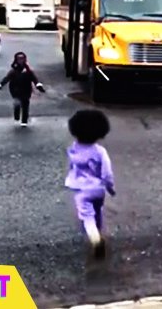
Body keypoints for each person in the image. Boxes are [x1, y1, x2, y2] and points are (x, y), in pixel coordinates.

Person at [65, 109, 116, 259]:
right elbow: (107, 173)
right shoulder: (100, 151)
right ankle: (99, 231)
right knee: (97, 212)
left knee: (87, 216)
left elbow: (72, 168)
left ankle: (96, 239)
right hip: (98, 188)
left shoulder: (73, 150)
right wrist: (110, 187)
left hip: (81, 190)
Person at [0, 52, 45, 127]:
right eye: (19, 59)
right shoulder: (13, 71)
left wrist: (39, 86)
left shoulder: (28, 71)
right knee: (17, 103)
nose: (21, 61)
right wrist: (0, 85)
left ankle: (24, 121)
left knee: (25, 104)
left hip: (26, 90)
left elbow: (34, 79)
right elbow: (7, 78)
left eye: (22, 59)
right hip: (15, 90)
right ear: (16, 60)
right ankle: (17, 114)